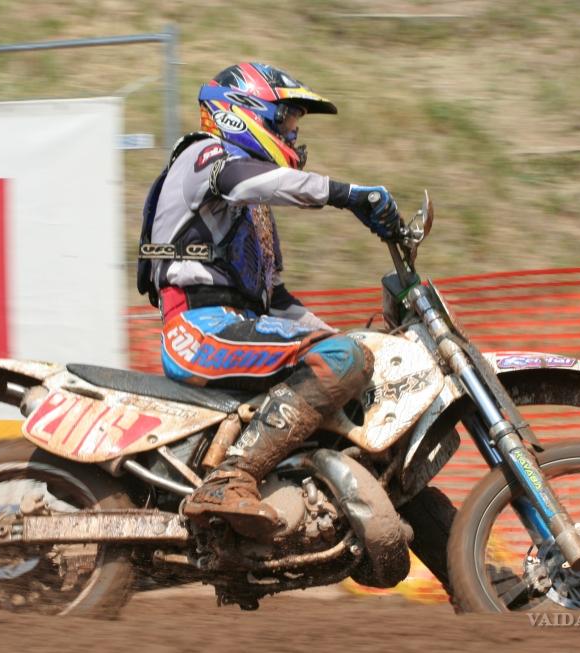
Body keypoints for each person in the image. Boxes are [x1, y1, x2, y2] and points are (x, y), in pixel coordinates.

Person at [137, 62, 402, 537]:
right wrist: (348, 195)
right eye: (287, 120)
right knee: (343, 358)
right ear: (243, 112)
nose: (293, 133)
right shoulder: (205, 155)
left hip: (236, 326)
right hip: (198, 328)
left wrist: (344, 339)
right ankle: (229, 479)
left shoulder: (250, 209)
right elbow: (248, 179)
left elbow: (276, 299)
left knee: (350, 357)